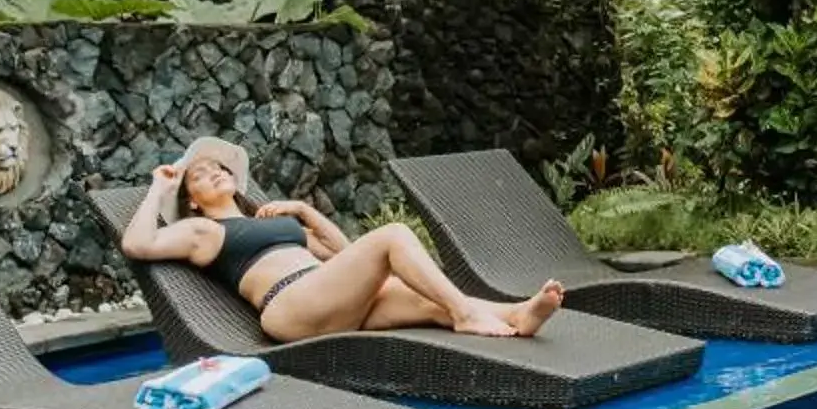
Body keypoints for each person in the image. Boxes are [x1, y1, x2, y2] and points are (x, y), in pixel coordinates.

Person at [121, 137, 564, 341]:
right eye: (200, 174)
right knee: (392, 235)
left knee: (422, 297)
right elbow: (138, 245)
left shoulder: (271, 221)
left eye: (219, 167)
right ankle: (466, 313)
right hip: (290, 305)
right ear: (192, 200)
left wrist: (305, 212)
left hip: (326, 294)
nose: (214, 172)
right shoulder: (203, 231)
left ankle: (518, 314)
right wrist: (159, 188)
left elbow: (346, 255)